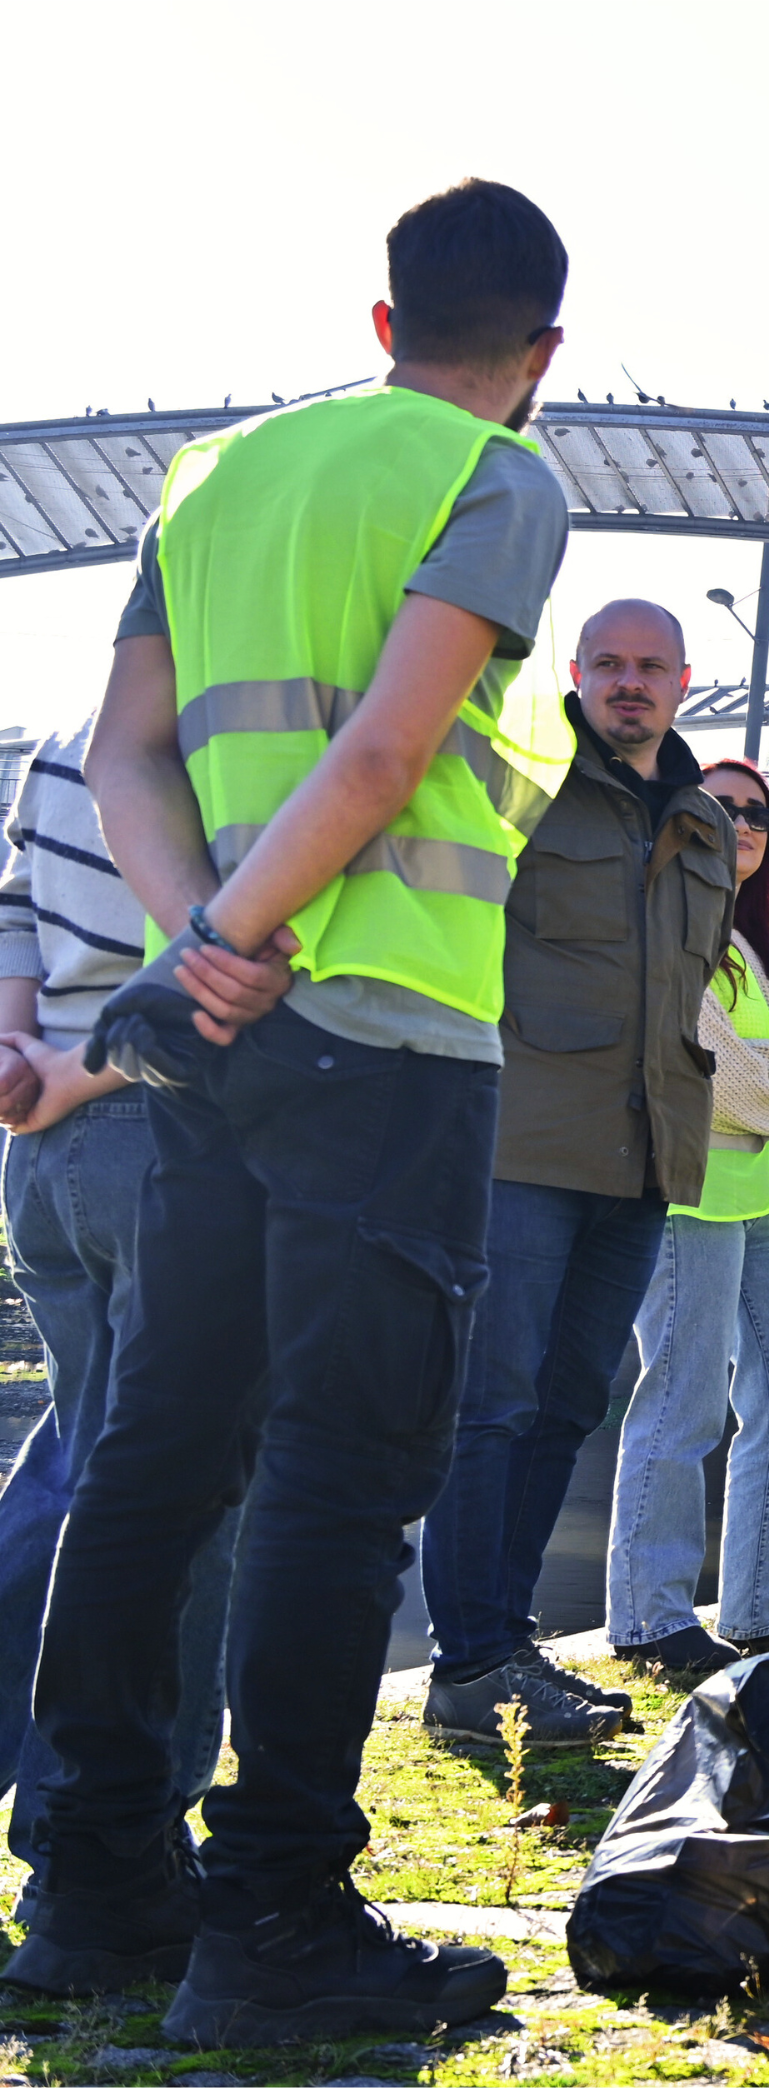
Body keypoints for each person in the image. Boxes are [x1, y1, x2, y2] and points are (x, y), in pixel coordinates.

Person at [20, 178, 576, 2041]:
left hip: (207, 1043)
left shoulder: (211, 477)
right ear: (542, 353)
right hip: (387, 1040)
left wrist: (194, 943)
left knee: (158, 1453)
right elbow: (393, 747)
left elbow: (124, 751)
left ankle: (92, 1885)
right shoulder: (497, 476)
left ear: (383, 321)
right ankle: (275, 1915)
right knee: (343, 1477)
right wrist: (241, 938)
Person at [417, 599, 735, 1747]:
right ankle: (469, 1663)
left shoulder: (706, 822)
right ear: (576, 672)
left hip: (644, 1158)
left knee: (564, 1408)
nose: (628, 682)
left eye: (650, 666)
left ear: (685, 683)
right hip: (524, 1143)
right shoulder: (522, 783)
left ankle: (508, 1643)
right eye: (608, 663)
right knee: (493, 1404)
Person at [0, 713, 244, 1901]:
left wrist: (21, 1052)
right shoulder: (217, 731)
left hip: (46, 1149)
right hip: (155, 1130)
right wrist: (75, 1071)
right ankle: (120, 1825)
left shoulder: (64, 738)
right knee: (178, 1495)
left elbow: (12, 906)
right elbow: (221, 955)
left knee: (80, 1469)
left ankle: (69, 1805)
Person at [604, 756, 769, 1676]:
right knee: (683, 1404)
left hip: (760, 1200)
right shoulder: (668, 919)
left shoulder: (767, 943)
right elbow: (705, 1071)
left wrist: (756, 1075)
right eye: (722, 807)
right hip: (686, 1193)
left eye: (759, 815)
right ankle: (650, 1620)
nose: (742, 823)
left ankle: (761, 1610)